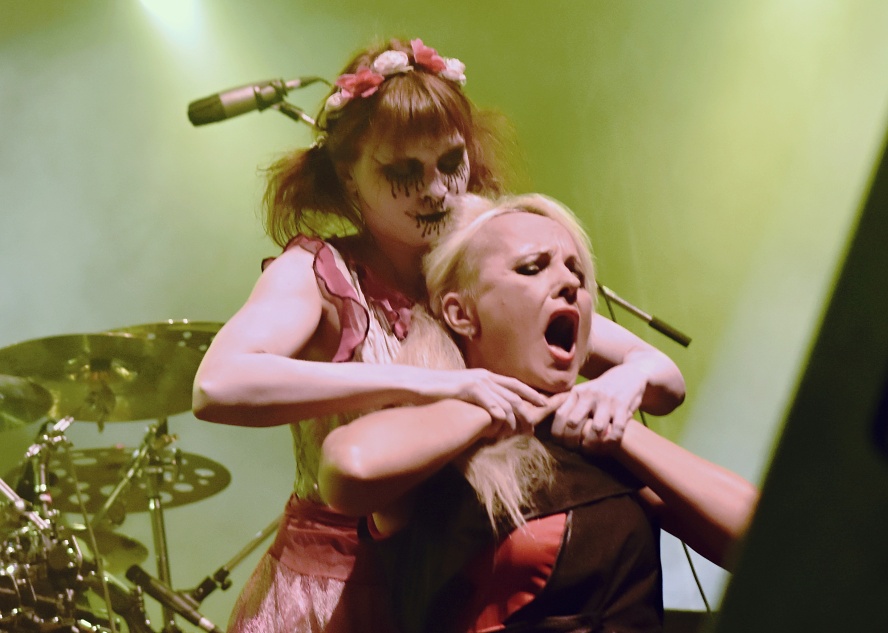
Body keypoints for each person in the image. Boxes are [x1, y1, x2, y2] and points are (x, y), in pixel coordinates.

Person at [192, 36, 686, 633]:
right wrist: (435, 385)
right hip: (340, 587)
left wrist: (623, 382)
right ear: (348, 176)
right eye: (402, 171)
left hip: (455, 575)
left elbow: (663, 379)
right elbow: (219, 385)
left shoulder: (474, 272)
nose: (435, 190)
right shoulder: (319, 271)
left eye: (451, 163)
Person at [318, 193, 758, 632]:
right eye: (532, 268)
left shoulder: (594, 443)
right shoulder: (436, 447)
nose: (569, 284)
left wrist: (617, 426)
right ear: (461, 313)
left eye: (577, 274)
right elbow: (348, 468)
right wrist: (494, 407)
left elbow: (765, 540)